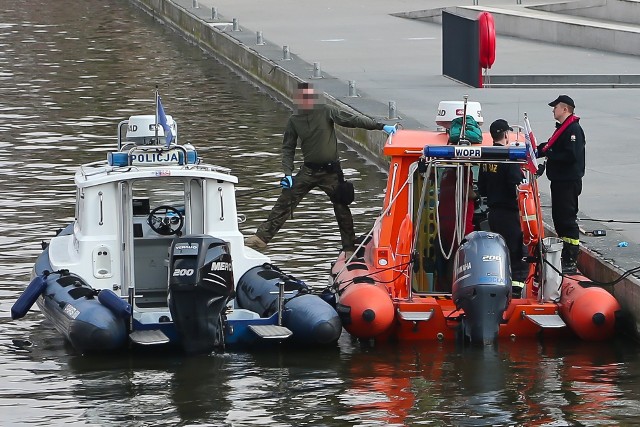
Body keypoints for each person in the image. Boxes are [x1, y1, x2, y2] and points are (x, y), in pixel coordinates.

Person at [244, 82, 396, 257]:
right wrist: (287, 173)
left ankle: (348, 248)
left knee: (341, 207)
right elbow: (288, 148)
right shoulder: (294, 120)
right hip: (309, 171)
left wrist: (380, 126)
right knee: (286, 199)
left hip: (331, 172)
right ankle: (262, 237)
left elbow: (352, 120)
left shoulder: (326, 111)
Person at [536, 95, 586, 274]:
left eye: (555, 107)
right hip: (558, 181)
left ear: (565, 109)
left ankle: (571, 258)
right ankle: (565, 254)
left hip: (567, 182)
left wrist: (550, 153)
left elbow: (570, 155)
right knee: (559, 218)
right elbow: (551, 146)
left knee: (567, 219)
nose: (552, 110)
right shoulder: (562, 129)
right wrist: (537, 150)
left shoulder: (573, 130)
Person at [477, 119, 528, 282]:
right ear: (506, 134)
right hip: (509, 214)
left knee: (499, 252)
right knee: (516, 254)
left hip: (493, 214)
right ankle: (516, 289)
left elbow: (482, 189)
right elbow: (516, 187)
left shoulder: (486, 160)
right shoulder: (509, 159)